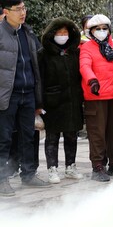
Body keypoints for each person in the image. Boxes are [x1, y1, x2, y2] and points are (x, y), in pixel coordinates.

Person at [0, 0, 51, 196]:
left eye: (24, 8)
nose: (23, 12)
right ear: (5, 12)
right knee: (3, 138)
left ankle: (29, 174)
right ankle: (2, 179)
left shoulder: (28, 33)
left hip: (28, 93)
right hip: (7, 94)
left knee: (29, 136)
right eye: (18, 9)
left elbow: (35, 65)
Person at [38, 17, 84, 184]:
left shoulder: (75, 52)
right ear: (51, 34)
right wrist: (39, 103)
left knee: (72, 135)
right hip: (53, 102)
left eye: (66, 32)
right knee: (52, 137)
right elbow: (39, 80)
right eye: (59, 32)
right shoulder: (43, 54)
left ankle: (70, 166)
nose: (63, 35)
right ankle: (52, 168)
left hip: (73, 101)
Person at [79, 14, 113, 182]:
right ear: (91, 31)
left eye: (105, 28)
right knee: (97, 133)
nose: (102, 31)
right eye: (98, 29)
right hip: (95, 95)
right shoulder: (87, 47)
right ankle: (97, 166)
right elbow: (84, 65)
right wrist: (92, 80)